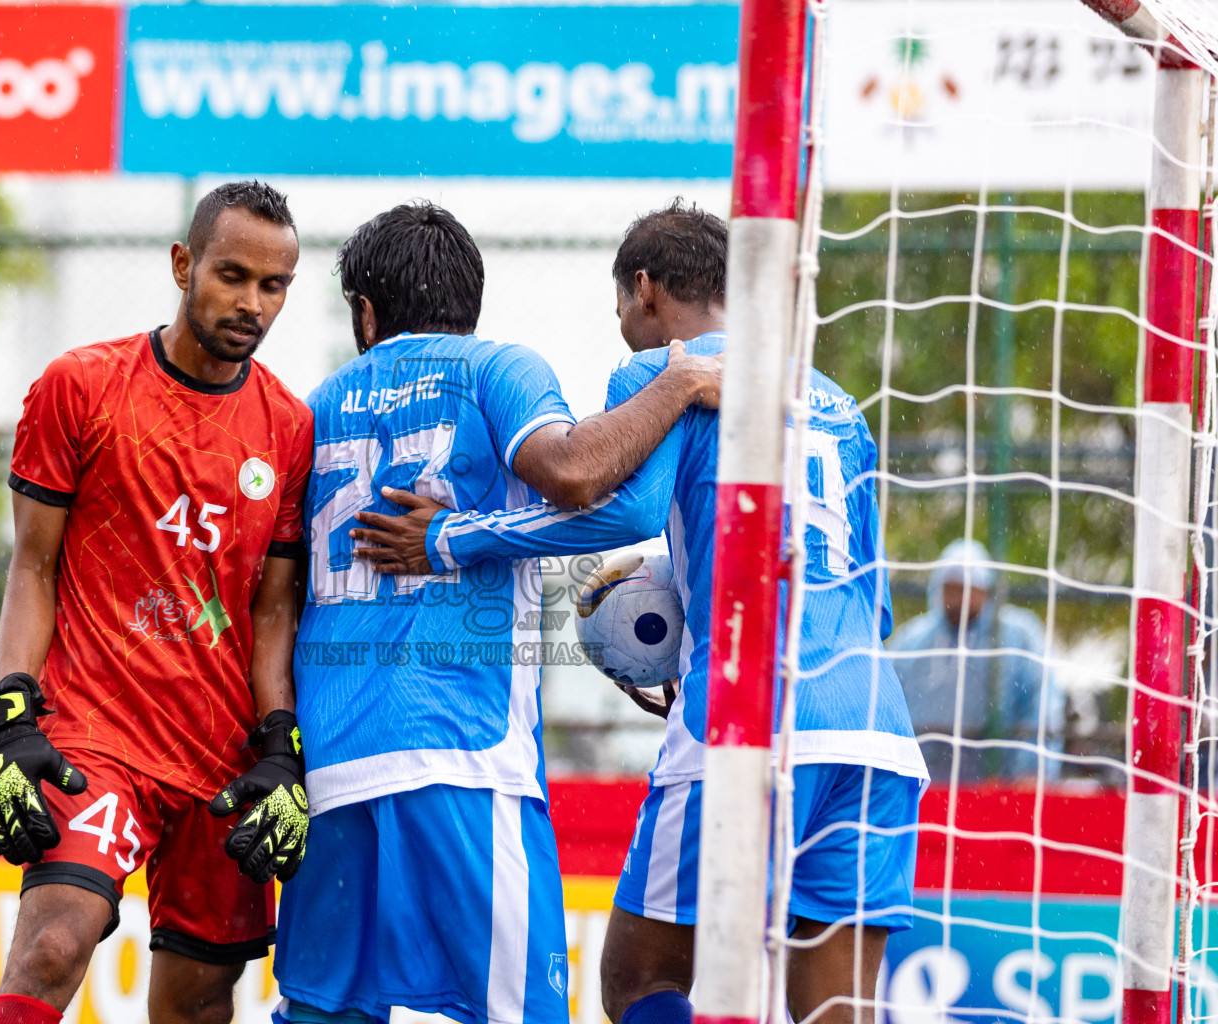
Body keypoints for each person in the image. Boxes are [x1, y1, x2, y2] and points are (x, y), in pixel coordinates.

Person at [351, 200, 928, 1024]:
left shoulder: (663, 369)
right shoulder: (833, 399)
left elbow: (614, 514)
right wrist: (688, 605)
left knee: (636, 977)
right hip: (873, 725)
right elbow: (864, 601)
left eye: (620, 303)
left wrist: (449, 537)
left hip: (745, 713)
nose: (623, 323)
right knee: (835, 1007)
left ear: (647, 291)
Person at [273, 201, 721, 1024]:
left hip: (331, 762)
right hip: (462, 749)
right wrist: (680, 380)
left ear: (365, 313)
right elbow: (590, 487)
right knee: (523, 1012)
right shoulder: (496, 368)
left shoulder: (314, 405)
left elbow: (276, 590)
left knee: (324, 1013)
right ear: (469, 298)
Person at [0, 181, 314, 1024]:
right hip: (99, 734)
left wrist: (281, 747)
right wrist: (12, 717)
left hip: (221, 763)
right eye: (232, 275)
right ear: (182, 264)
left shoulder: (289, 428)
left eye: (273, 285)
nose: (251, 302)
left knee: (198, 1005)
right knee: (53, 943)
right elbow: (34, 565)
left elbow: (273, 611)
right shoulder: (79, 387)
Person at [887, 538, 1062, 782]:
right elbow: (887, 707)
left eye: (970, 587)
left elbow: (1043, 707)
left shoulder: (1020, 637)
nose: (961, 597)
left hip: (1001, 786)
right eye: (954, 587)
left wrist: (1032, 771)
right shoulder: (910, 643)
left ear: (987, 590)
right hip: (924, 786)